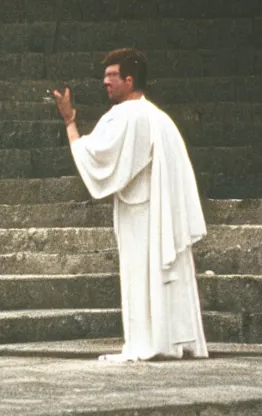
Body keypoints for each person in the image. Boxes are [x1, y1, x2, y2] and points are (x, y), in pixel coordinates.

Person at [52, 48, 208, 362]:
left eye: (112, 76)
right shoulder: (159, 118)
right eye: (105, 76)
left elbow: (94, 157)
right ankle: (171, 341)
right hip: (158, 211)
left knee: (141, 277)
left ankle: (148, 343)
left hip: (141, 214)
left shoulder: (126, 116)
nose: (105, 82)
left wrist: (70, 122)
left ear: (129, 79)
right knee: (157, 276)